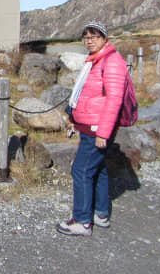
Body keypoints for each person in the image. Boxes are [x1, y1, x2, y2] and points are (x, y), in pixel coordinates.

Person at [56, 21, 128, 237]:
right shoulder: (95, 60)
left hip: (97, 128)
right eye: (86, 37)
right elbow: (89, 96)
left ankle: (82, 220)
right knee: (98, 168)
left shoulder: (111, 62)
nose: (89, 40)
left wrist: (103, 133)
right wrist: (76, 120)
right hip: (90, 125)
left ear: (104, 38)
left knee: (81, 169)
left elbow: (114, 100)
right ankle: (101, 213)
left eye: (94, 36)